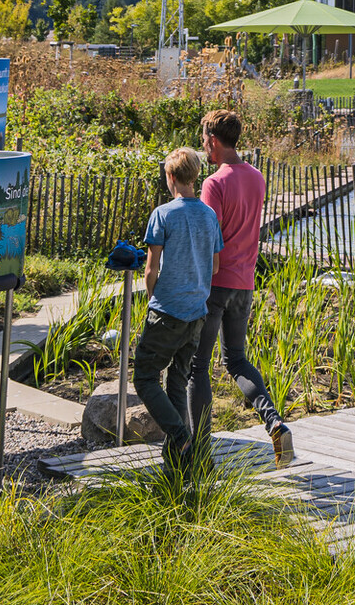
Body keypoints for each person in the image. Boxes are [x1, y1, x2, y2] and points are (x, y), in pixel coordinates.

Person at [187, 108, 296, 467]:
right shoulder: (257, 177)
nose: (203, 145)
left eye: (204, 138)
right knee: (236, 360)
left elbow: (209, 238)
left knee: (198, 366)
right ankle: (274, 421)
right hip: (245, 283)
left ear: (214, 141)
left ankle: (199, 450)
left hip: (216, 283)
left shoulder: (214, 183)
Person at [135, 147, 224, 469]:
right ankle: (180, 463)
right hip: (196, 312)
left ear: (170, 176)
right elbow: (215, 266)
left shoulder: (163, 214)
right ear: (195, 176)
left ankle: (180, 436)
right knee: (177, 380)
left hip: (167, 310)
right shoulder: (209, 215)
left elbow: (151, 269)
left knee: (144, 378)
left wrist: (152, 299)